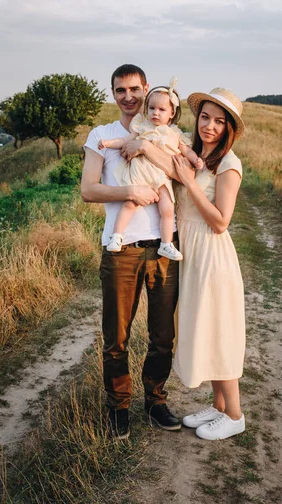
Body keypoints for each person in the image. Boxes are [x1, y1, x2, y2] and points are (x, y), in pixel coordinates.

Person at [121, 87, 246, 441]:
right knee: (202, 327)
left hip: (211, 253)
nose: (209, 126)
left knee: (219, 331)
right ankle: (219, 406)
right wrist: (145, 146)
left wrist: (190, 183)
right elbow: (167, 166)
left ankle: (235, 414)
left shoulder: (228, 164)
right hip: (188, 251)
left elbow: (221, 220)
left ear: (229, 128)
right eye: (205, 117)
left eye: (219, 122)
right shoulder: (196, 154)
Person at [81, 64, 181, 440]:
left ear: (145, 90)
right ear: (112, 93)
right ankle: (118, 408)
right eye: (120, 90)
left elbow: (179, 170)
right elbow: (89, 189)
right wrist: (129, 193)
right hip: (120, 250)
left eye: (134, 89)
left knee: (162, 335)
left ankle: (155, 401)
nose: (129, 96)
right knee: (116, 337)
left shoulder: (162, 131)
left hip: (163, 249)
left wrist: (147, 147)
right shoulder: (101, 135)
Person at [98, 77, 203, 261]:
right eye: (152, 108)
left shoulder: (175, 133)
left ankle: (166, 244)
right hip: (141, 174)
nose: (155, 113)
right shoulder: (141, 127)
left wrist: (196, 160)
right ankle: (116, 236)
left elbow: (185, 150)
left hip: (161, 177)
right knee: (130, 204)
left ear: (171, 113)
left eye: (162, 110)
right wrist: (108, 143)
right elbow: (125, 141)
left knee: (167, 208)